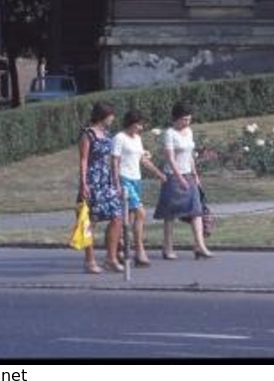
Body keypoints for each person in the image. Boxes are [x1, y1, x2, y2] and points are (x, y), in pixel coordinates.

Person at [153, 101, 214, 259]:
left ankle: (200, 245)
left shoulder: (189, 131)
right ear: (176, 118)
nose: (187, 122)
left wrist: (195, 175)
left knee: (196, 211)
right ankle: (168, 248)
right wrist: (179, 178)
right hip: (173, 176)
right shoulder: (169, 133)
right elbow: (170, 158)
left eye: (189, 119)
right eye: (184, 119)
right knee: (170, 214)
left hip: (189, 175)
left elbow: (190, 156)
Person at [111, 109, 166, 267]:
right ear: (130, 123)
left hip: (136, 179)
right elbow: (114, 161)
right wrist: (116, 183)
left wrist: (158, 173)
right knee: (140, 213)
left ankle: (120, 246)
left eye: (142, 125)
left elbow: (142, 160)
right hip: (124, 178)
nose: (141, 128)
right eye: (138, 125)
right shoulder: (119, 138)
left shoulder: (137, 139)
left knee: (126, 216)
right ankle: (139, 251)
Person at [77, 101, 123, 274]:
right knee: (90, 221)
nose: (113, 118)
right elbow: (83, 160)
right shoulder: (87, 135)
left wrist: (116, 182)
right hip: (92, 181)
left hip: (106, 180)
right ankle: (89, 260)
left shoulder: (107, 134)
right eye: (111, 115)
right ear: (103, 115)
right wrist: (83, 184)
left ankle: (110, 258)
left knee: (117, 216)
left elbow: (111, 160)